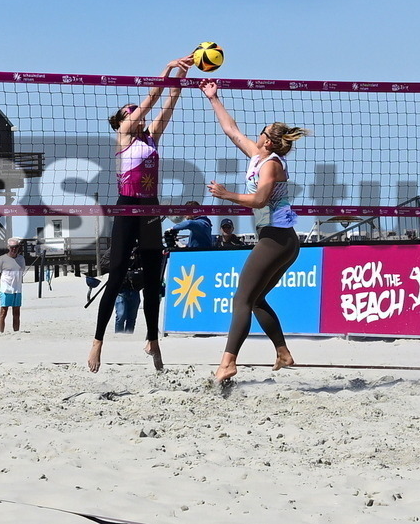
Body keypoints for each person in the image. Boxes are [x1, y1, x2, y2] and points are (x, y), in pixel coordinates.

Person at [88, 55, 193, 373]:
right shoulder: (123, 137)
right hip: (127, 206)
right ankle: (97, 344)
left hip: (150, 207)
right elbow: (150, 99)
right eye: (128, 111)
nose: (135, 112)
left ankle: (152, 340)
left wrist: (179, 79)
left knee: (151, 279)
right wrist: (166, 69)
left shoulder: (150, 137)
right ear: (121, 122)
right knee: (117, 275)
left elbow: (169, 102)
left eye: (135, 110)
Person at [201, 78, 308, 383]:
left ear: (269, 141)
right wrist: (213, 98)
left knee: (241, 300)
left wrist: (226, 195)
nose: (256, 135)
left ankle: (228, 363)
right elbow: (231, 130)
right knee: (257, 299)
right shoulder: (257, 156)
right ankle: (283, 352)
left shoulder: (272, 165)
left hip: (276, 238)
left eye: (261, 132)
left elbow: (260, 199)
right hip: (280, 239)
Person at [0, 238, 26, 332]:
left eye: (16, 247)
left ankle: (16, 332)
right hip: (6, 289)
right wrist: (2, 285)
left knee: (16, 312)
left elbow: (21, 272)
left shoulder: (21, 259)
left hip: (17, 289)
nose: (14, 249)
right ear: (8, 247)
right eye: (12, 247)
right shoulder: (2, 259)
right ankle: (0, 332)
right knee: (3, 311)